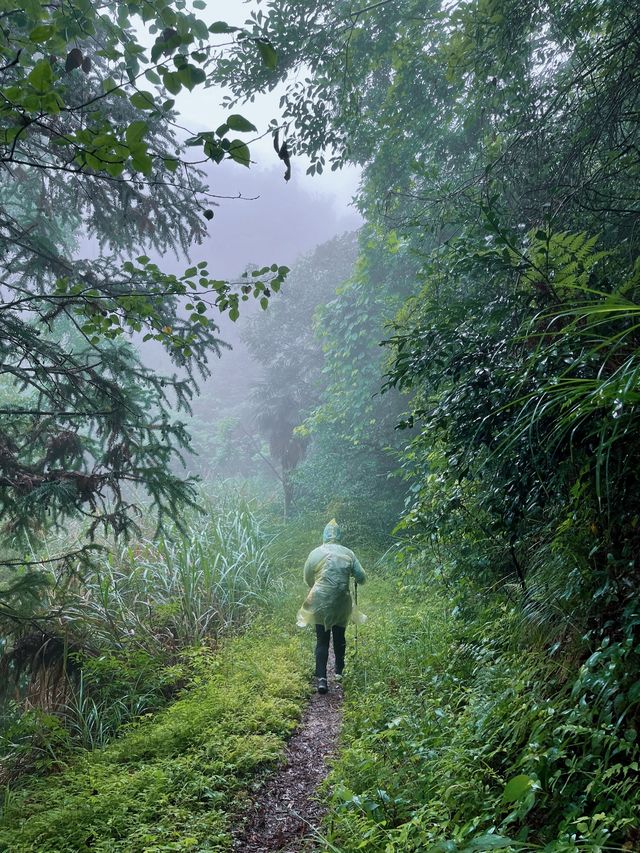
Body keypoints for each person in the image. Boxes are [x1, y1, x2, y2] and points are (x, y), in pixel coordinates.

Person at [296, 519, 366, 694]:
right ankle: (339, 672)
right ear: (339, 536)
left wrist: (318, 585)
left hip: (319, 600)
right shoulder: (348, 553)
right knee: (340, 636)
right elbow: (362, 577)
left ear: (324, 535)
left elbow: (307, 579)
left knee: (322, 639)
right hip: (341, 601)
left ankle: (321, 679)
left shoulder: (314, 553)